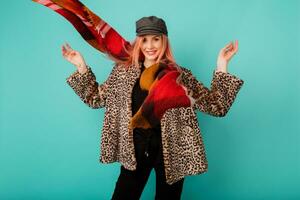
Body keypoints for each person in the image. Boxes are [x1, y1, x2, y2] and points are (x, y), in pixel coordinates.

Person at [62, 16, 244, 200]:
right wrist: (81, 66)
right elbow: (95, 99)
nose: (150, 45)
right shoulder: (122, 73)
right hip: (135, 150)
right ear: (139, 42)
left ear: (164, 41)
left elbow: (217, 106)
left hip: (172, 153)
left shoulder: (179, 75)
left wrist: (222, 64)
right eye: (145, 39)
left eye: (156, 39)